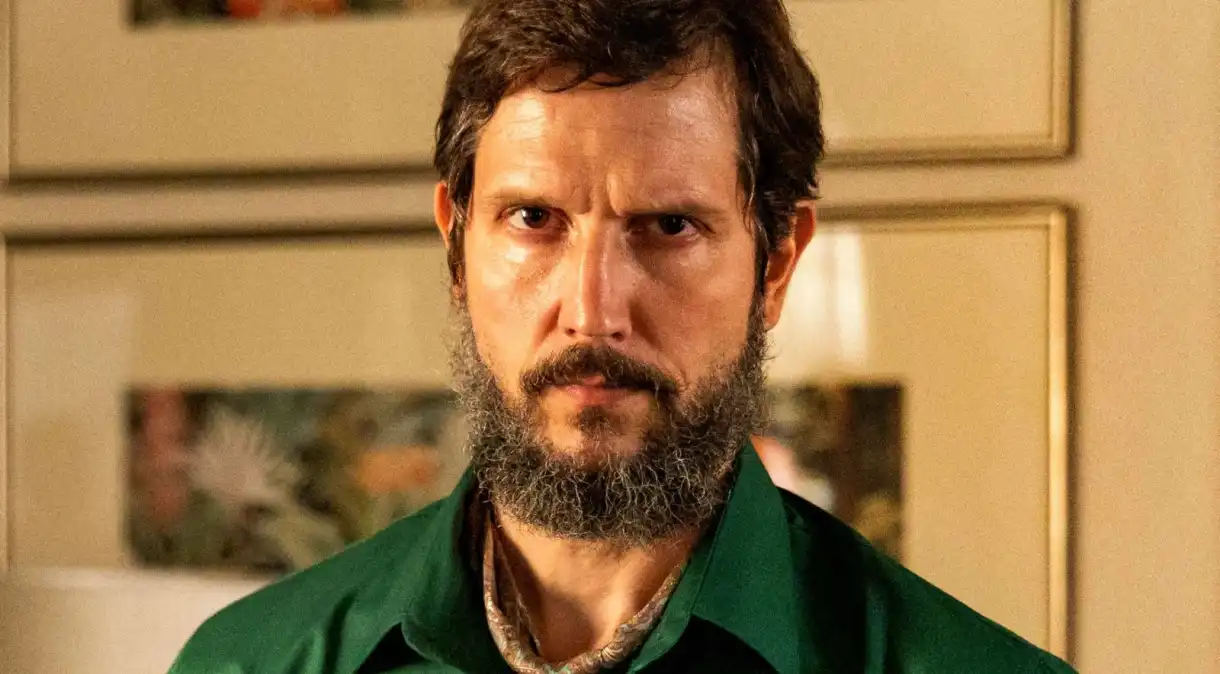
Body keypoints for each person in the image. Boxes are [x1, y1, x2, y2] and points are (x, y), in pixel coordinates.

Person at [169, 0, 1077, 672]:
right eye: (533, 218)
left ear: (775, 264)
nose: (592, 311)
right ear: (456, 245)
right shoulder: (247, 664)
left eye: (669, 227)